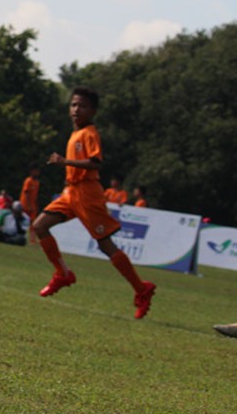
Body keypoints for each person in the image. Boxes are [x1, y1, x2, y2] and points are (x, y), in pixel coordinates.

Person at [31, 86, 157, 319]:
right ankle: (63, 273)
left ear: (93, 111)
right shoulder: (76, 133)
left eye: (83, 106)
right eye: (74, 104)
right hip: (71, 192)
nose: (77, 109)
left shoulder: (89, 133)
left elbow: (95, 162)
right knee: (39, 226)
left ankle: (142, 289)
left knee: (105, 244)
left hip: (88, 194)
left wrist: (64, 161)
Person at [20, 164, 41, 243]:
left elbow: (35, 195)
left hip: (32, 206)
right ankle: (22, 236)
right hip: (25, 205)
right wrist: (28, 204)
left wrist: (35, 205)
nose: (38, 173)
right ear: (32, 171)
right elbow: (26, 193)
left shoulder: (37, 182)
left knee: (33, 223)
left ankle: (32, 239)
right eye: (36, 171)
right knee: (23, 221)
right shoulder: (28, 180)